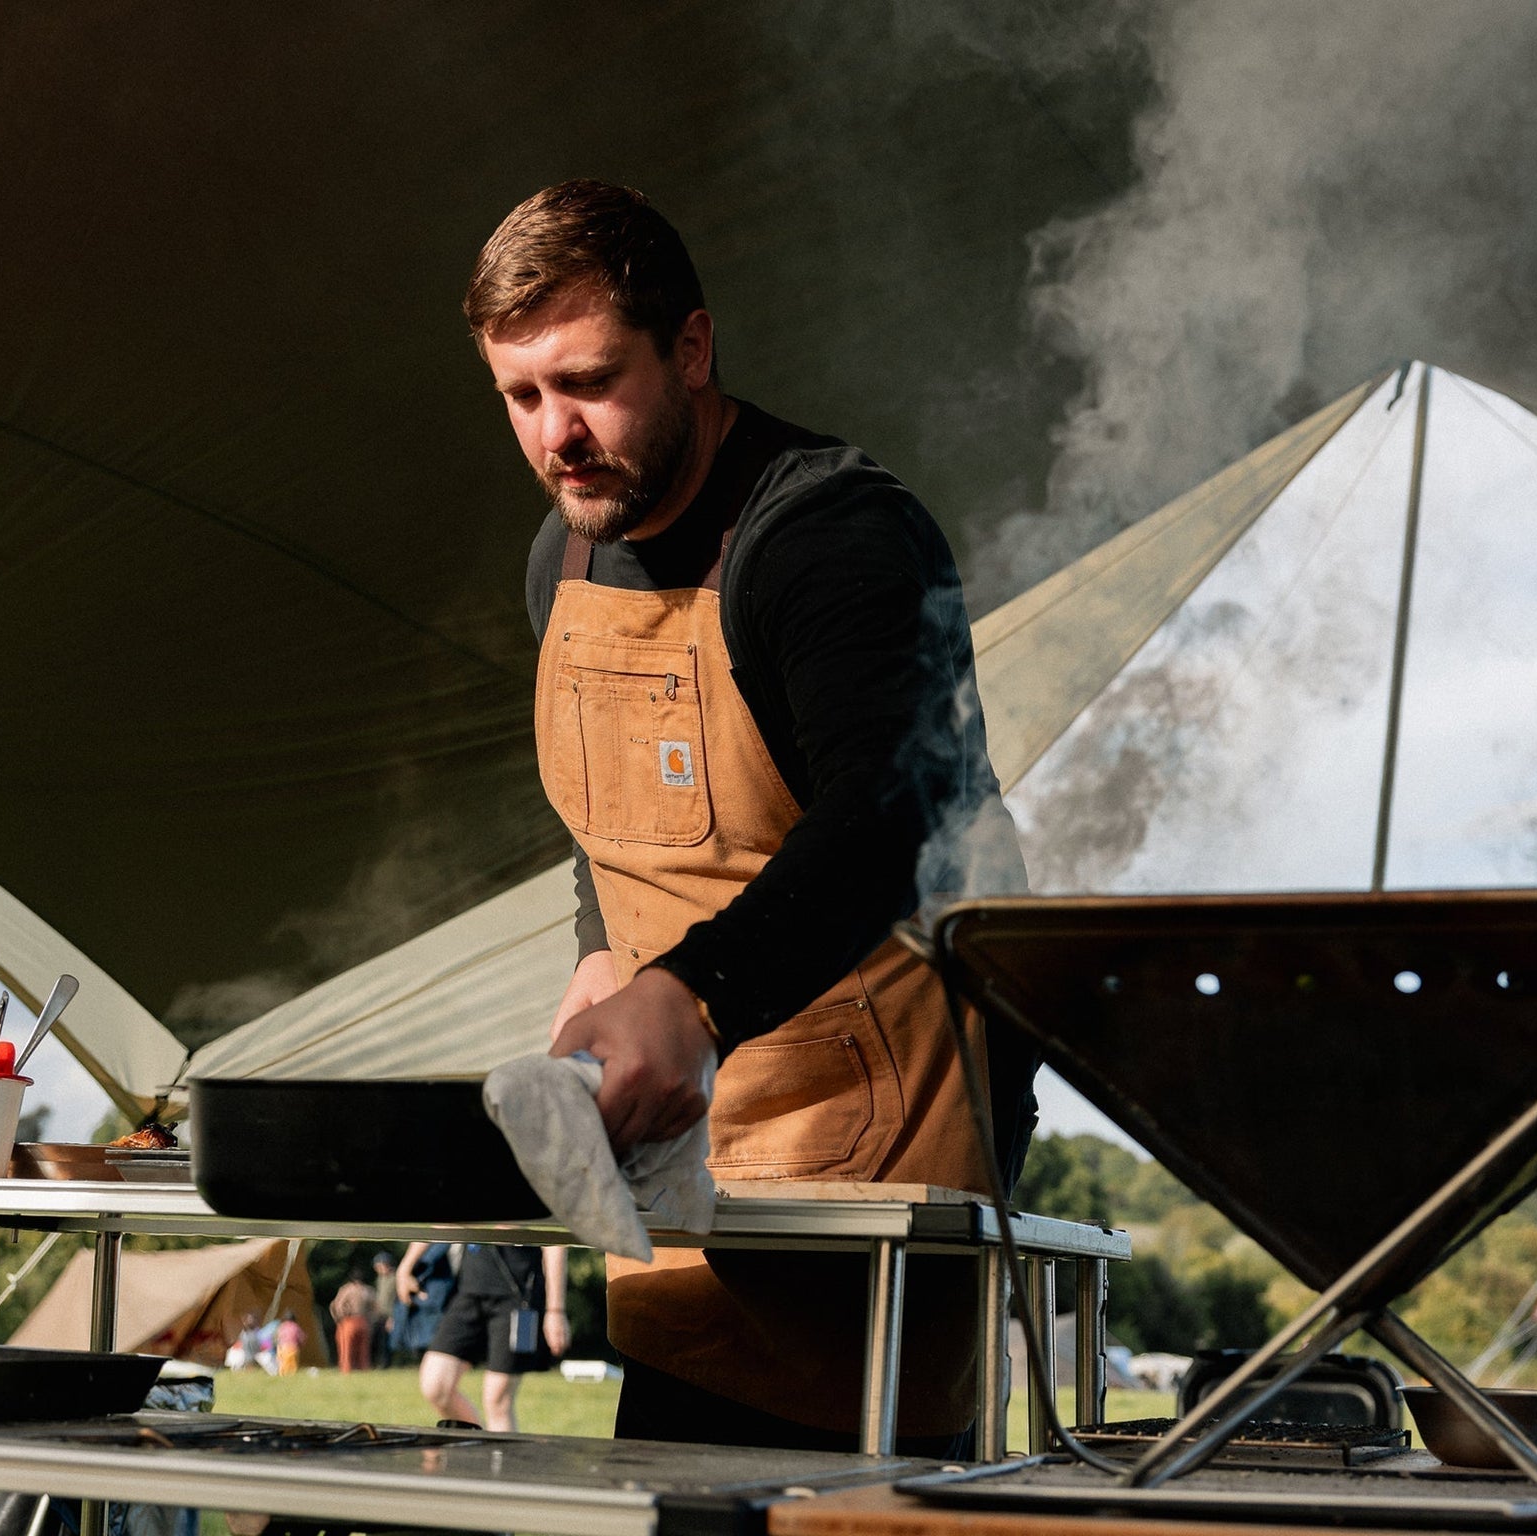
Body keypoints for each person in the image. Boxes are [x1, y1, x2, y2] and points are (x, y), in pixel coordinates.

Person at [467, 180, 1038, 1453]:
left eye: (590, 381)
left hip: (884, 1129)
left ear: (692, 347)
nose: (558, 433)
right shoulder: (558, 562)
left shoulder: (832, 536)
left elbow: (893, 818)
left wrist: (692, 993)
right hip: (695, 1136)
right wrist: (602, 963)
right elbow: (604, 821)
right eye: (522, 397)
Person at [416, 1244, 569, 1433]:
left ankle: (500, 1460)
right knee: (436, 1385)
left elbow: (555, 1244)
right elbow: (443, 1222)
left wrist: (555, 1310)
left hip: (518, 1299)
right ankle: (479, 1444)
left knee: (498, 1400)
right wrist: (407, 1265)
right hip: (468, 1293)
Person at [370, 1250, 398, 1369]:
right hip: (379, 1314)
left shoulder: (395, 1279)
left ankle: (386, 1364)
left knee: (386, 1342)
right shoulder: (380, 1279)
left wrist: (393, 1317)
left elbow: (396, 1299)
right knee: (376, 1340)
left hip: (390, 1315)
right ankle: (376, 1363)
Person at [274, 1310, 304, 1377]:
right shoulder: (296, 1327)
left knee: (282, 1364)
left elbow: (277, 1338)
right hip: (292, 1348)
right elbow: (300, 1338)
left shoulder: (281, 1327)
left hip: (281, 1348)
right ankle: (292, 1375)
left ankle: (282, 1375)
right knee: (293, 1364)